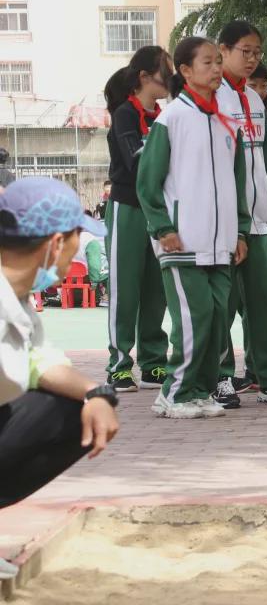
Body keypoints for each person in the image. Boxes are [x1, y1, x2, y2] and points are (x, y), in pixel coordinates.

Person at [137, 36, 251, 419]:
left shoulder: (225, 122)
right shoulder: (171, 119)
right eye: (208, 62)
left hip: (220, 243)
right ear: (185, 71)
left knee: (218, 318)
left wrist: (240, 231)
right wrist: (162, 228)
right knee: (195, 316)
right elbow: (147, 182)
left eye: (219, 61)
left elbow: (238, 184)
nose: (217, 69)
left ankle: (199, 391)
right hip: (181, 241)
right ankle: (175, 392)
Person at [0, 177, 119, 510]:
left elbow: (41, 362)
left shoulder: (16, 299)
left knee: (70, 406)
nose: (79, 245)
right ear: (55, 244)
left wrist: (96, 393)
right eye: (77, 236)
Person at [214, 21, 267, 407]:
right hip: (225, 221)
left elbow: (261, 157)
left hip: (259, 220)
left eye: (257, 52)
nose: (253, 59)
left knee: (262, 301)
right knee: (222, 304)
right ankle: (221, 377)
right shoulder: (214, 99)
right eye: (245, 51)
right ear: (223, 50)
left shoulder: (256, 102)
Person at [102, 45, 172, 392]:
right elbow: (136, 160)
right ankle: (118, 364)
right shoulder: (125, 115)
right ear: (145, 77)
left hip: (157, 210)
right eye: (167, 70)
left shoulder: (164, 115)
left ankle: (154, 362)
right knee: (125, 287)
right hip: (128, 207)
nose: (172, 78)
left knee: (156, 289)